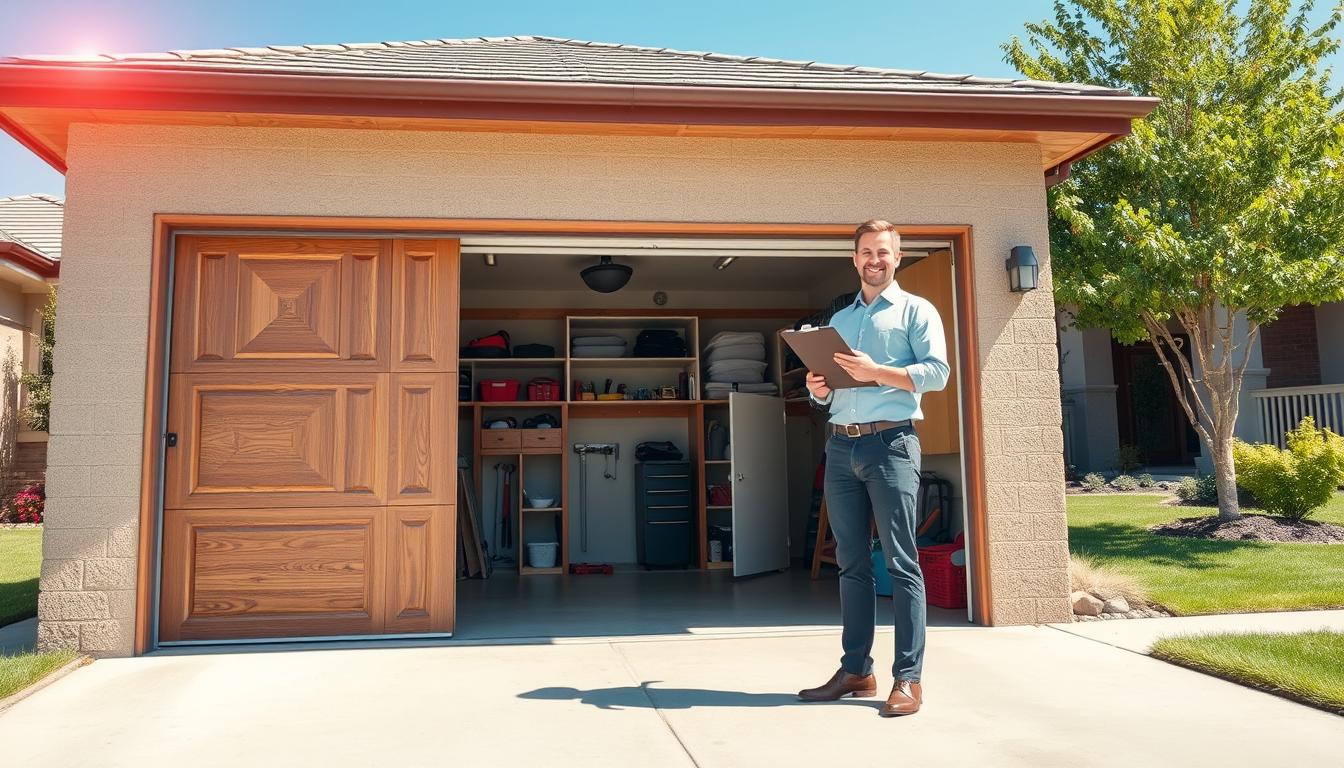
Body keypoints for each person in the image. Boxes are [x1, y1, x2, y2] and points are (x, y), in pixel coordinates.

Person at [797, 219, 950, 717]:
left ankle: (908, 679)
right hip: (841, 449)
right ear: (855, 259)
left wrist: (877, 372)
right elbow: (827, 388)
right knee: (852, 565)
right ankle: (857, 670)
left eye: (882, 251)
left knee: (903, 562)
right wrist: (818, 390)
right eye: (866, 252)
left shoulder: (915, 310)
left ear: (897, 256)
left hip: (892, 443)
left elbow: (938, 372)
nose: (874, 260)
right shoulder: (840, 321)